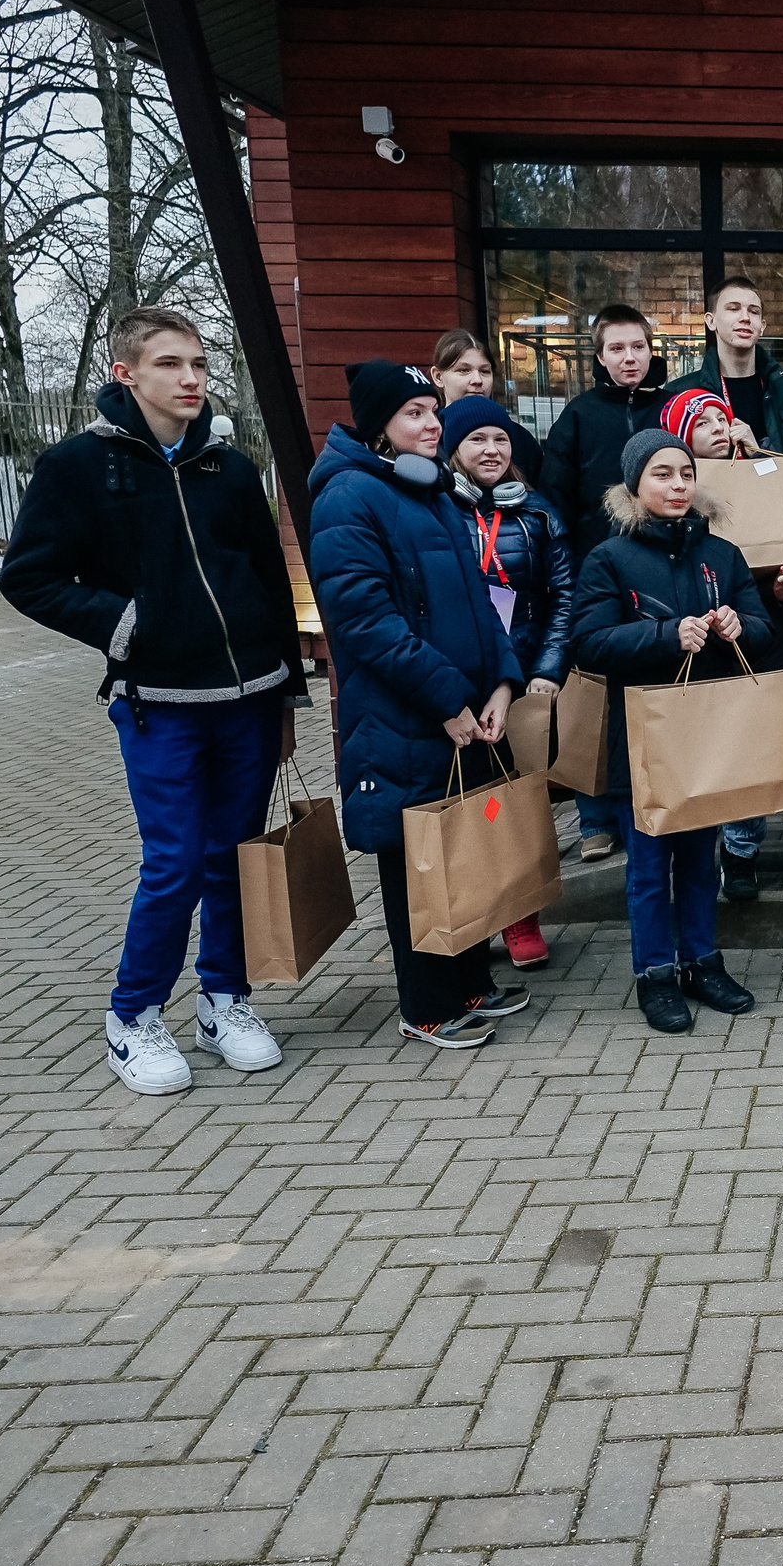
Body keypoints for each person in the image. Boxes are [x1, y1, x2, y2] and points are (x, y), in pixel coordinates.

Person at [1, 305, 302, 1095]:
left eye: (199, 362)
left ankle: (223, 999)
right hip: (159, 702)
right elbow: (27, 578)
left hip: (249, 697)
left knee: (234, 859)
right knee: (173, 865)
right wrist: (123, 623)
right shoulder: (76, 467)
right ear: (125, 373)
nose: (192, 378)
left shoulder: (231, 469)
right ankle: (132, 1015)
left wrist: (287, 697)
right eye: (171, 363)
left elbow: (269, 584)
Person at [308, 361, 527, 1052]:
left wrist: (500, 683)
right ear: (380, 426)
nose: (432, 424)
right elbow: (366, 621)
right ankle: (426, 1004)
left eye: (433, 410)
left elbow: (482, 605)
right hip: (406, 718)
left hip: (465, 712)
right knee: (416, 862)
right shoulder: (349, 498)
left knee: (465, 844)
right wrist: (447, 700)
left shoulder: (431, 492)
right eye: (413, 413)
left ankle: (469, 981)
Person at [566, 429, 771, 1035]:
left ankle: (702, 963)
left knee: (701, 861)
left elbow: (765, 630)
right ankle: (655, 975)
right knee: (651, 866)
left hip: (708, 732)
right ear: (635, 484)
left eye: (684, 473)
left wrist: (742, 625)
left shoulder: (722, 555)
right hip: (644, 735)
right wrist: (663, 636)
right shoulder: (609, 557)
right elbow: (588, 642)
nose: (677, 485)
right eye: (661, 474)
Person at [656, 388, 783, 897]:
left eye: (724, 418)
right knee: (745, 746)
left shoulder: (765, 479)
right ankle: (740, 849)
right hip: (724, 642)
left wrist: (760, 453)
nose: (719, 429)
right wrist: (769, 592)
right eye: (703, 423)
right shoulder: (679, 506)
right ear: (680, 440)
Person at [439, 394, 573, 972]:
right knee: (460, 802)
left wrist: (546, 671)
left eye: (500, 440)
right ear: (453, 451)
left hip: (521, 680)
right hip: (451, 681)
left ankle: (522, 916)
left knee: (515, 802)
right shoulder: (432, 509)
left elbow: (563, 599)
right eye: (476, 441)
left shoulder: (539, 514)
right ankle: (468, 918)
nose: (491, 450)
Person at [541, 303, 667, 862]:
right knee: (593, 691)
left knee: (656, 688)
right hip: (597, 572)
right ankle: (594, 818)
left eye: (637, 347)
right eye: (616, 349)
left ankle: (656, 796)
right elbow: (553, 495)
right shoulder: (579, 414)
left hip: (663, 569)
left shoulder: (671, 408)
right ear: (599, 357)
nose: (629, 358)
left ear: (650, 350)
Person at [669, 275, 783, 455]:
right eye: (733, 309)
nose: (745, 317)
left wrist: (758, 452)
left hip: (776, 482)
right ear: (711, 321)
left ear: (762, 326)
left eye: (754, 312)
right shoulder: (682, 392)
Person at [429, 328, 495, 406]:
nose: (477, 380)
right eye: (464, 370)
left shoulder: (502, 418)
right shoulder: (428, 418)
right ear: (438, 377)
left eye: (484, 371)